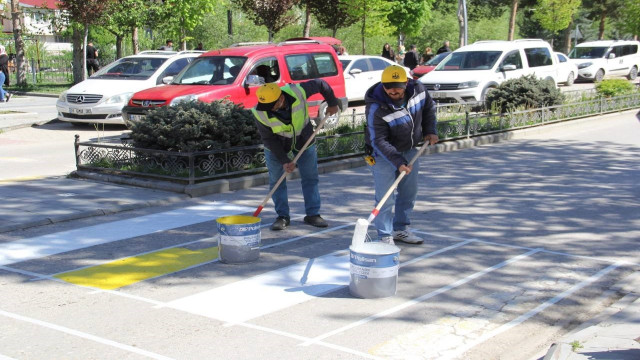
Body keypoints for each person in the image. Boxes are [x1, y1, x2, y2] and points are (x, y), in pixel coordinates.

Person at [364, 65, 438, 244]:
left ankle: (401, 229)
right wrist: (398, 161)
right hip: (382, 154)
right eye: (388, 87)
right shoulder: (376, 108)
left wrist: (430, 130)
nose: (393, 91)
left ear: (406, 83)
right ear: (383, 85)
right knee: (385, 196)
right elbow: (379, 141)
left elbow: (429, 108)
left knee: (409, 192)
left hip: (410, 148)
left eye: (397, 86)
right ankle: (384, 235)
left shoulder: (419, 90)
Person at [252, 81, 339, 231]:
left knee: (310, 178)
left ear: (280, 98)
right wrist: (284, 160)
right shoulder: (260, 112)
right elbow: (269, 139)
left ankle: (313, 214)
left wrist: (332, 103)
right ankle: (282, 216)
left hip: (304, 140)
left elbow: (321, 84)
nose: (268, 110)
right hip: (276, 147)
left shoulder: (297, 91)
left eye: (271, 105)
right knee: (277, 181)